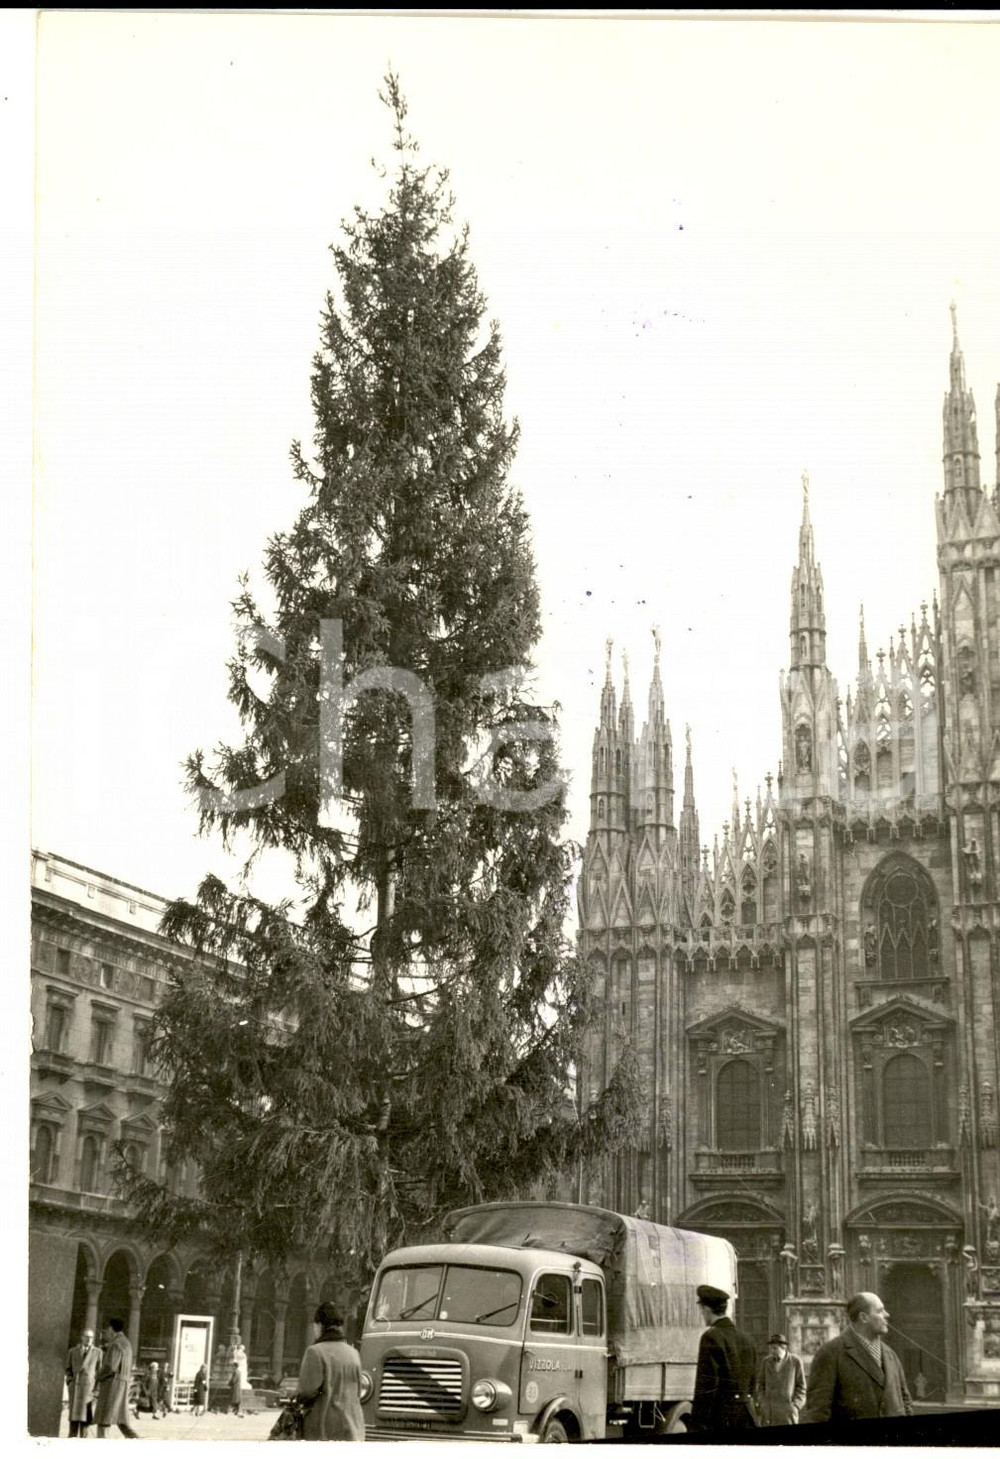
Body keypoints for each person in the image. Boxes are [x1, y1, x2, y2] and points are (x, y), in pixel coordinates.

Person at [801, 1292, 913, 1424]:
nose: (887, 1315)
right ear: (863, 1317)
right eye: (880, 1311)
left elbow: (905, 1402)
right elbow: (817, 1413)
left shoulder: (891, 1355)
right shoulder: (830, 1353)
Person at [689, 1283, 758, 1432]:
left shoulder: (711, 1337)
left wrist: (698, 1422)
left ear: (706, 1309)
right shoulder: (748, 1339)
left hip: (722, 1418)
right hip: (748, 1415)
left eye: (701, 1310)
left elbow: (707, 1384)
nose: (702, 1315)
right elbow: (754, 1382)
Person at [297, 1301, 365, 1442]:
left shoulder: (315, 1352)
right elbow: (358, 1392)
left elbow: (306, 1392)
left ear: (320, 1325)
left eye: (314, 1326)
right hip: (354, 1429)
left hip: (325, 1430)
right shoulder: (353, 1353)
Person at [95, 1317, 141, 1438]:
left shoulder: (115, 1344)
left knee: (103, 1419)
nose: (105, 1333)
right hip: (122, 1384)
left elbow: (110, 1367)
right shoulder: (126, 1342)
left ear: (111, 1329)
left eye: (106, 1329)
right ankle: (137, 1441)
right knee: (122, 1420)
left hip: (112, 1385)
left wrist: (98, 1376)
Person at [754, 1332, 806, 1426]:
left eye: (775, 1348)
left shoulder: (795, 1361)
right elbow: (760, 1384)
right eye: (771, 1348)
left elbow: (802, 1387)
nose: (772, 1351)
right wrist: (763, 1402)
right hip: (769, 1412)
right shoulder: (766, 1362)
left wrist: (795, 1406)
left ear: (783, 1347)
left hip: (788, 1413)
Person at [65, 1326, 101, 1437]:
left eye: (91, 1337)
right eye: (87, 1337)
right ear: (82, 1338)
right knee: (74, 1421)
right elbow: (68, 1368)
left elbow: (100, 1372)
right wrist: (70, 1382)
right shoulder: (73, 1351)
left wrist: (96, 1390)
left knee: (86, 1420)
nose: (89, 1339)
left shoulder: (98, 1352)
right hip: (75, 1389)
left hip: (88, 1390)